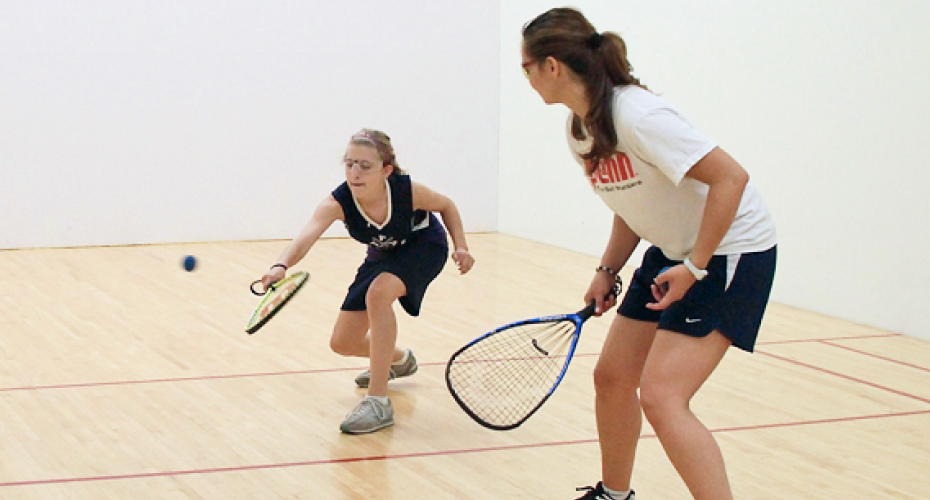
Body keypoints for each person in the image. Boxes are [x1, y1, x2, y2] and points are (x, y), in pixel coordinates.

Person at [521, 8, 777, 500]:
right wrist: (607, 269)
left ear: (551, 66)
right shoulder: (580, 130)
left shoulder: (638, 115)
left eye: (526, 67)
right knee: (613, 377)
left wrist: (696, 266)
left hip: (729, 251)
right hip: (672, 250)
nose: (526, 78)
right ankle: (614, 495)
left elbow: (731, 179)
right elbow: (630, 202)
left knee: (662, 397)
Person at [258, 128, 474, 435]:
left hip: (425, 247)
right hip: (383, 254)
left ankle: (378, 401)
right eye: (349, 163)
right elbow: (306, 236)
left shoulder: (406, 191)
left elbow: (447, 205)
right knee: (342, 343)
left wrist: (461, 247)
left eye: (365, 165)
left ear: (386, 170)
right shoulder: (337, 202)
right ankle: (400, 360)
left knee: (378, 294)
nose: (355, 173)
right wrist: (280, 265)